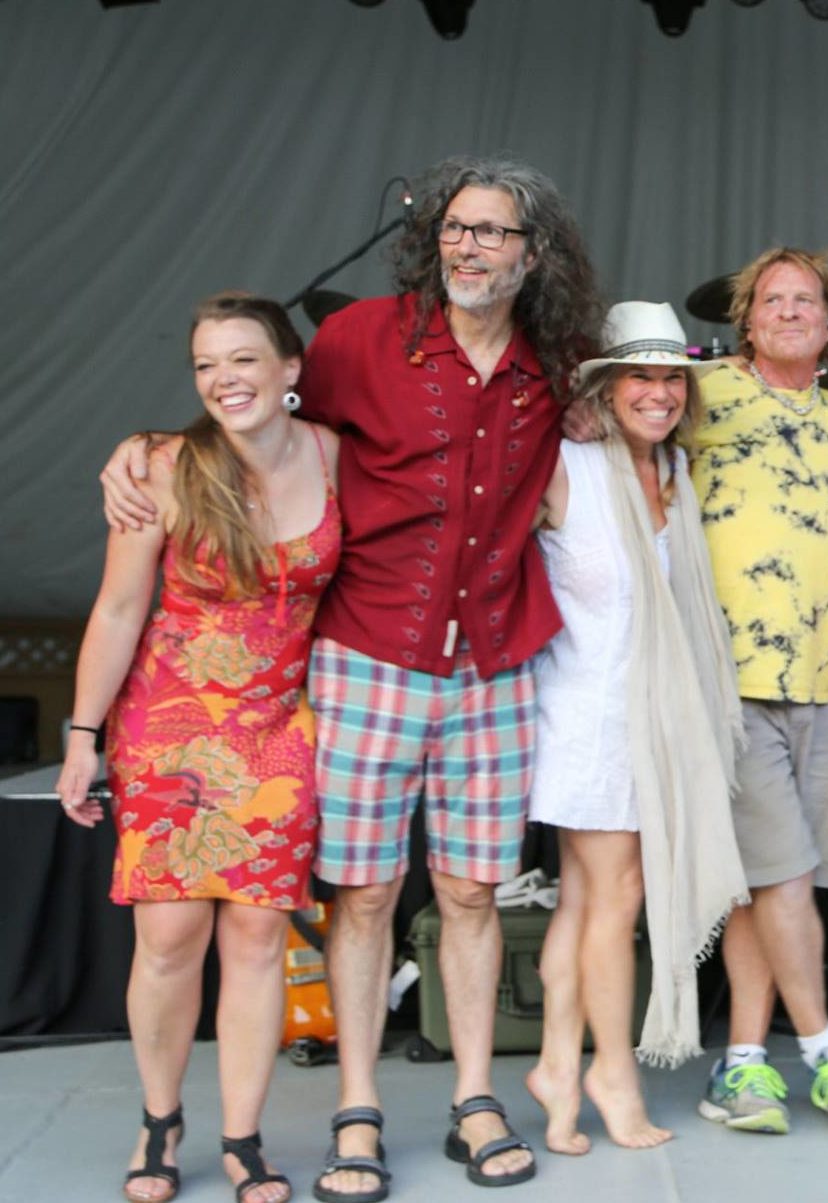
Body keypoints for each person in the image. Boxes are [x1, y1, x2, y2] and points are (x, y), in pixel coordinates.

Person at [103, 156, 604, 1199]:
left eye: (493, 232)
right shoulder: (357, 339)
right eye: (455, 229)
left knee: (470, 890)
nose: (468, 247)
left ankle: (475, 1101)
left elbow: (668, 404)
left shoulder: (562, 362)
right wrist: (145, 447)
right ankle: (357, 1111)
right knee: (364, 895)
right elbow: (254, 421)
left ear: (533, 251)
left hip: (496, 661)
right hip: (368, 652)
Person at [61, 291, 340, 1203]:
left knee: (260, 935)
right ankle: (160, 1119)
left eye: (244, 359)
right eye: (206, 365)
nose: (224, 380)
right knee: (171, 935)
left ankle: (245, 1135)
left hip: (277, 729)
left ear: (290, 369)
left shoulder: (336, 455)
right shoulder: (164, 468)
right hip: (169, 725)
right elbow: (116, 608)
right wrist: (80, 736)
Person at [523, 302, 750, 1152]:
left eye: (669, 377)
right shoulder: (566, 464)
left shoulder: (677, 473)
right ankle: (610, 1071)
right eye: (638, 375)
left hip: (652, 718)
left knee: (586, 901)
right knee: (613, 901)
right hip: (584, 713)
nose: (656, 392)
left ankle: (555, 1061)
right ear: (603, 387)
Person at [684, 247, 828, 1137]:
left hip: (818, 683)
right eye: (769, 300)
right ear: (745, 320)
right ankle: (821, 1053)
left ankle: (740, 1067)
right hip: (730, 681)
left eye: (804, 300)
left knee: (773, 885)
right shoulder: (700, 397)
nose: (786, 311)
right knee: (784, 873)